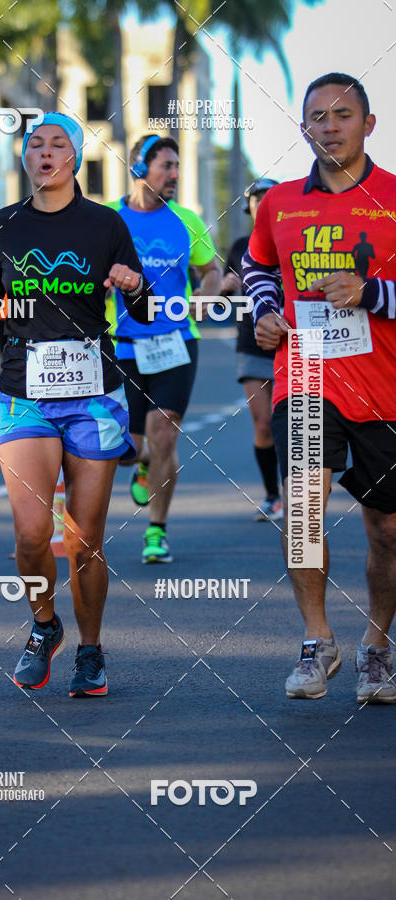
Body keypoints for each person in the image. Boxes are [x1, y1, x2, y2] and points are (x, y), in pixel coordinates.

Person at [0, 112, 152, 697]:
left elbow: (146, 308)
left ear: (74, 158)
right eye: (35, 144)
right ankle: (45, 626)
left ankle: (92, 650)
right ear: (25, 157)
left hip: (94, 397)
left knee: (83, 539)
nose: (44, 152)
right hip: (25, 394)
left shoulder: (105, 225)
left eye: (57, 144)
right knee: (31, 535)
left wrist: (131, 283)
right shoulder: (2, 225)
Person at [242, 73, 396, 704]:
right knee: (304, 511)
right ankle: (317, 640)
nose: (329, 125)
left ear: (368, 123)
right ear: (303, 126)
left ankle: (378, 644)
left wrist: (374, 293)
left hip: (384, 386)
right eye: (316, 116)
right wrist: (265, 310)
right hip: (304, 376)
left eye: (342, 114)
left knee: (387, 529)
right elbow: (256, 264)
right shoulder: (279, 202)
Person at [106, 135, 222, 563]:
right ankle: (141, 462)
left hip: (176, 340)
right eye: (165, 166)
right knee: (129, 448)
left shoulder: (185, 220)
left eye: (177, 166)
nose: (174, 174)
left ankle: (156, 531)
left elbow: (211, 270)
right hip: (125, 344)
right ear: (139, 166)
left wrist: (209, 295)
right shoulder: (109, 220)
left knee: (165, 428)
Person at [221, 177, 282, 522]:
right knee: (262, 424)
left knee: (295, 423)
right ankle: (273, 496)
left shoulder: (293, 238)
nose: (263, 204)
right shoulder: (241, 246)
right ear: (250, 207)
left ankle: (300, 493)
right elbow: (226, 292)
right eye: (257, 199)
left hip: (293, 341)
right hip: (252, 341)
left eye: (269, 198)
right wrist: (227, 288)